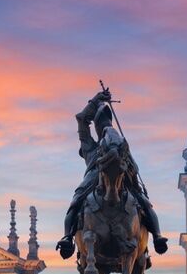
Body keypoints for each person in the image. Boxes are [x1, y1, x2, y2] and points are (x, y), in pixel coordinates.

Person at [57, 89, 169, 259]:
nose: (103, 126)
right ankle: (67, 237)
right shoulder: (90, 146)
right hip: (93, 179)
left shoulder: (119, 142)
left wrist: (127, 164)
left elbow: (134, 166)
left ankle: (157, 236)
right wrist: (95, 101)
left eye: (105, 122)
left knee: (144, 203)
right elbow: (81, 118)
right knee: (75, 202)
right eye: (100, 123)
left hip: (122, 176)